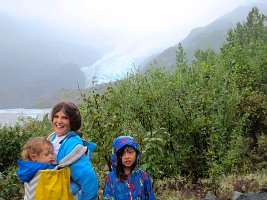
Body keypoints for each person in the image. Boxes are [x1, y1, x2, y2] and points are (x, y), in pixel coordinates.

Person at [49, 101, 98, 200]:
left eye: (64, 118)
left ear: (72, 121)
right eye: (56, 116)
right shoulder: (52, 138)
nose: (59, 121)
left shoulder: (72, 145)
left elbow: (89, 181)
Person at [102, 136, 156, 200]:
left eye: (130, 152)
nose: (127, 157)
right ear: (116, 156)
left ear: (137, 153)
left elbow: (150, 197)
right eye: (122, 154)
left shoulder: (144, 176)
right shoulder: (110, 178)